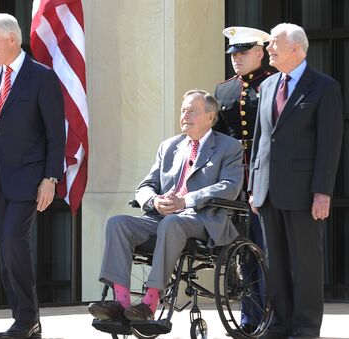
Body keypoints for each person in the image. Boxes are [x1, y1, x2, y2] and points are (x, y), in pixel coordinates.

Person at [88, 90, 243, 323]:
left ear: (211, 117)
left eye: (192, 111)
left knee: (172, 223)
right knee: (118, 223)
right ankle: (120, 303)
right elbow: (146, 186)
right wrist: (154, 201)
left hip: (202, 219)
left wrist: (186, 200)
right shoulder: (170, 146)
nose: (185, 115)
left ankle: (149, 303)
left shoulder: (229, 147)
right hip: (162, 217)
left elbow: (229, 187)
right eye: (183, 110)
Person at [248, 23, 343, 338]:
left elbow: (329, 145)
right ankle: (280, 322)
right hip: (268, 192)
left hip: (304, 193)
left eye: (274, 43)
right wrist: (253, 187)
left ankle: (304, 325)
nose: (268, 49)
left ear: (296, 49)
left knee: (305, 263)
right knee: (275, 262)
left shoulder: (324, 87)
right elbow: (261, 140)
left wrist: (322, 192)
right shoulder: (268, 85)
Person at [0, 13, 65, 339]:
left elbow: (57, 134)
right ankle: (25, 320)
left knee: (14, 243)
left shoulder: (42, 77)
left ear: (11, 39)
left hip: (30, 178)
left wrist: (50, 179)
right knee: (7, 252)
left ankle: (27, 319)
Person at [213, 26, 271, 333]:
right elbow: (220, 139)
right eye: (233, 54)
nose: (237, 59)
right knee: (243, 251)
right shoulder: (223, 91)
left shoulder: (274, 84)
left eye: (243, 53)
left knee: (267, 249)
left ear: (260, 53)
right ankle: (250, 318)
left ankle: (273, 316)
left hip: (265, 177)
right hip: (236, 180)